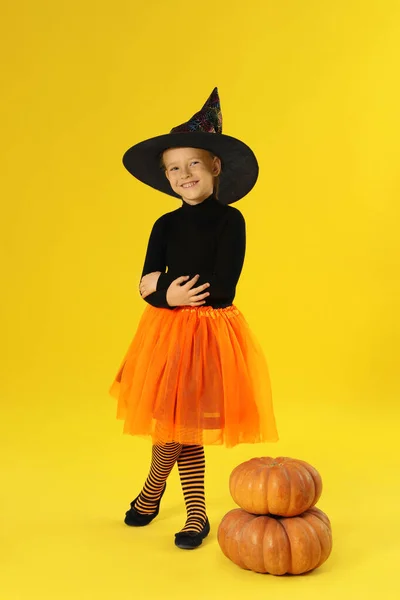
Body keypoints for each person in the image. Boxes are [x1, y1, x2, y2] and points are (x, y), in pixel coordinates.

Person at [109, 87, 278, 550]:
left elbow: (222, 287)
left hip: (210, 333)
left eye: (194, 164)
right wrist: (167, 293)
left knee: (182, 421)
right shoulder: (164, 225)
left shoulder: (231, 221)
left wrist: (169, 292)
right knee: (172, 418)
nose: (184, 175)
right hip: (164, 334)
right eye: (174, 169)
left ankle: (154, 493)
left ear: (216, 167)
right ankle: (193, 510)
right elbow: (144, 282)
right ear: (166, 177)